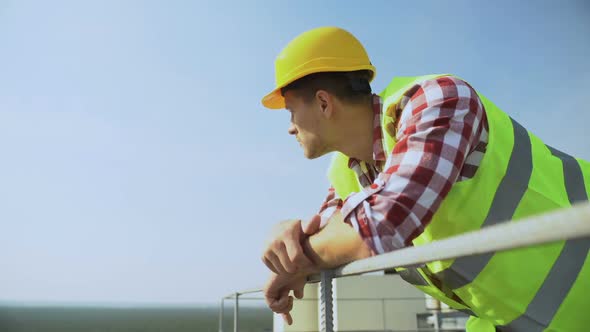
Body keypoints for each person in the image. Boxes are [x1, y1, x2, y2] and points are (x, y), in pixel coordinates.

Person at [259, 26, 590, 332]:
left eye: (290, 110)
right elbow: (330, 235)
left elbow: (381, 225)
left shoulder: (440, 101)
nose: (290, 126)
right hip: (517, 319)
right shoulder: (347, 173)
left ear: (323, 102)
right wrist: (287, 239)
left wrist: (294, 262)